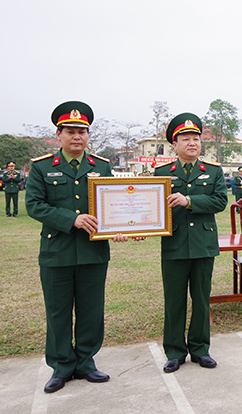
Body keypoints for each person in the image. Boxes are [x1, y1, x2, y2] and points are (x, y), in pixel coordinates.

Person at [25, 101, 132, 393]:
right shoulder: (42, 167)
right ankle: (62, 366)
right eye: (70, 131)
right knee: (58, 310)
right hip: (56, 251)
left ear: (88, 136)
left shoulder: (102, 166)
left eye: (82, 132)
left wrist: (121, 228)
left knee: (91, 309)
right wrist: (72, 219)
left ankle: (86, 362)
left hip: (93, 252)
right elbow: (34, 205)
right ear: (58, 135)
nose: (77, 137)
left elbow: (113, 206)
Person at [155, 113, 228, 373]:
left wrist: (189, 201)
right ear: (175, 144)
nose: (192, 143)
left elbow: (220, 201)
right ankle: (175, 351)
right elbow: (152, 208)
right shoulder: (162, 173)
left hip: (203, 244)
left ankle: (200, 349)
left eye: (196, 138)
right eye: (186, 139)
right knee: (174, 300)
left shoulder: (214, 171)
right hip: (173, 243)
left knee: (201, 299)